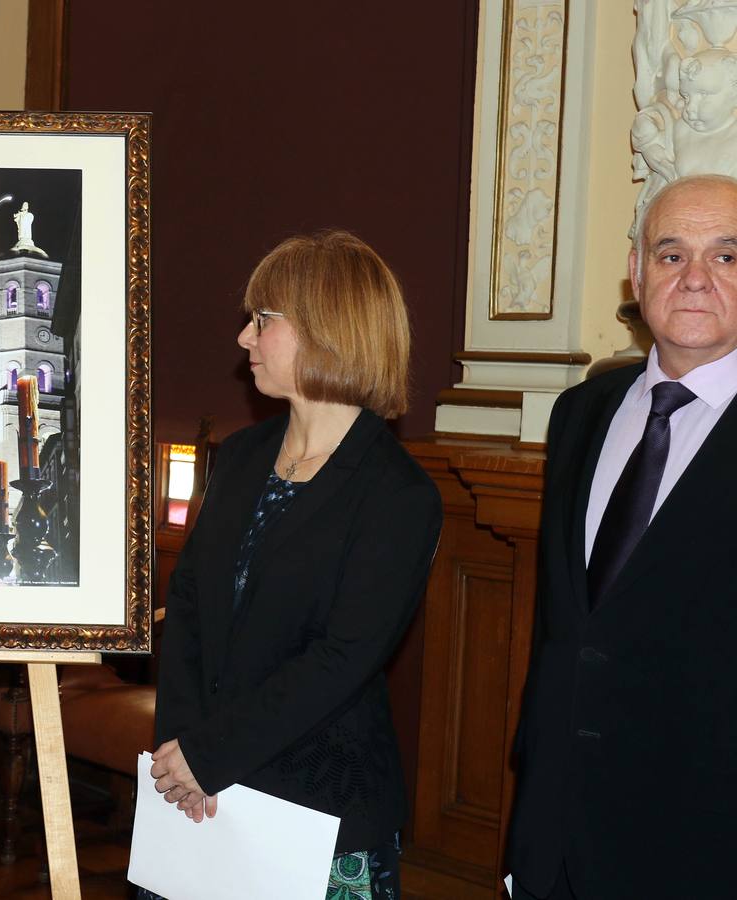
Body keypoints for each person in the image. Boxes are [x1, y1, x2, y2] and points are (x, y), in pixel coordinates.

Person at [146, 231, 442, 900]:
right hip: (199, 791)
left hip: (317, 801)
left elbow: (342, 659)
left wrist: (211, 755)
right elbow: (190, 604)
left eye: (262, 320)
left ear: (327, 328)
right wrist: (180, 754)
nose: (245, 339)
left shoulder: (397, 494)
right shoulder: (242, 455)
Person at [507, 173, 737, 899]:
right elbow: (562, 627)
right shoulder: (580, 412)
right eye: (671, 254)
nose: (696, 278)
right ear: (636, 273)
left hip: (703, 845)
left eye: (728, 256)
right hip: (556, 833)